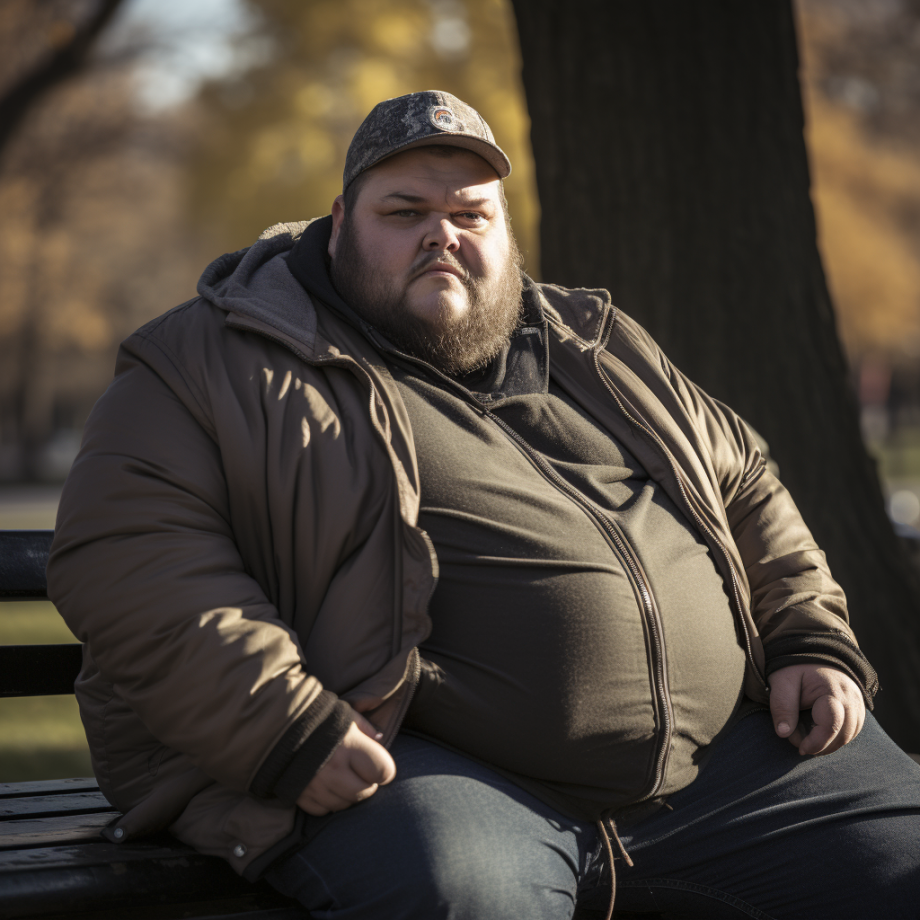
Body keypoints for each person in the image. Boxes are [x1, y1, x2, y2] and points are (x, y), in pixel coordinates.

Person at [47, 90, 920, 919]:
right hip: (426, 771)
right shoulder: (211, 359)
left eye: (471, 215)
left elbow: (743, 481)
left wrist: (807, 634)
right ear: (340, 224)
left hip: (728, 769)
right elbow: (132, 556)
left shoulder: (594, 343)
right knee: (458, 895)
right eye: (405, 213)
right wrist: (282, 728)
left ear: (507, 235)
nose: (444, 236)